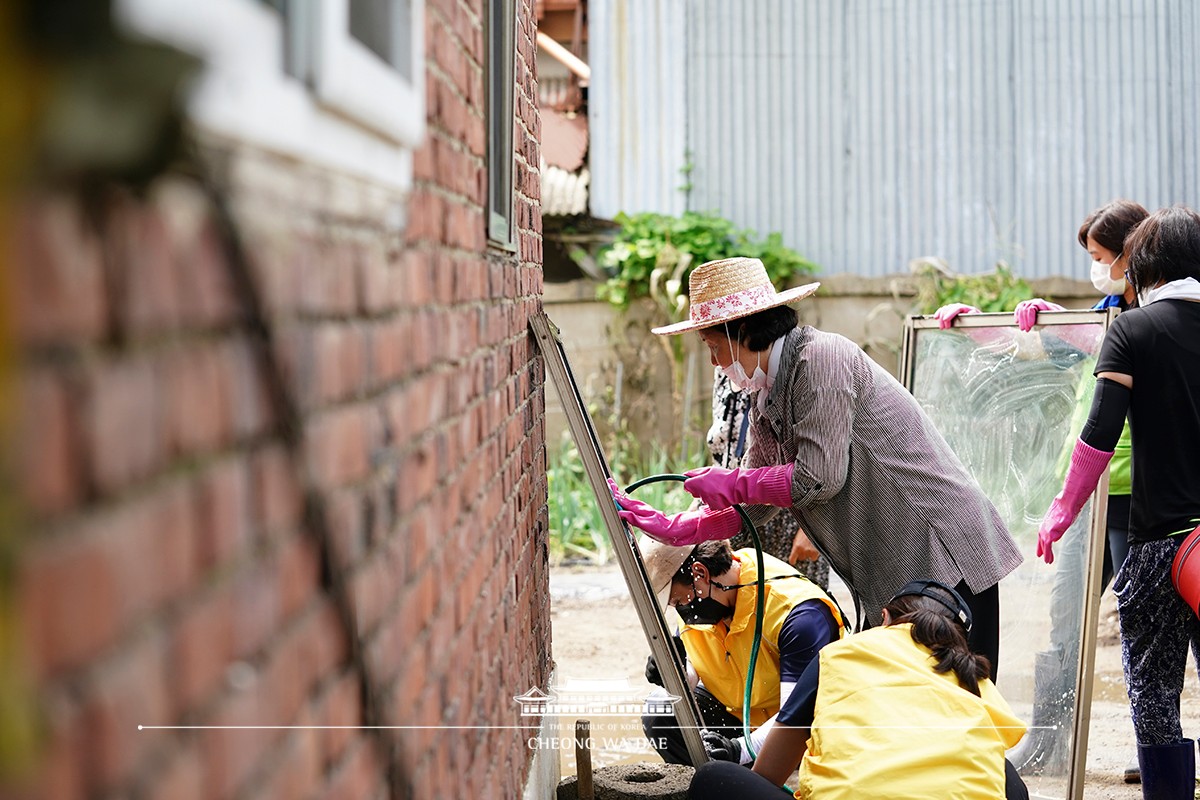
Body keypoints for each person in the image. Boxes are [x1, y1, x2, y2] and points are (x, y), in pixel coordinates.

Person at [608, 256, 1022, 674]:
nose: (715, 362)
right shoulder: (766, 391)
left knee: (959, 697)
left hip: (942, 547)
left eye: (713, 346)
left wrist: (734, 483)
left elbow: (818, 478)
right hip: (897, 560)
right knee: (913, 699)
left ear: (743, 331)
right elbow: (756, 506)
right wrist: (680, 530)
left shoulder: (821, 360)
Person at [934, 198, 1147, 780]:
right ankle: (1051, 739)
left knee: (1142, 624)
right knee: (1066, 622)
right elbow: (1036, 352)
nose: (1095, 269)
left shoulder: (1160, 315)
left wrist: (1069, 324)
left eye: (1103, 257)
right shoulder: (1105, 310)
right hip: (1083, 496)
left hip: (1141, 494)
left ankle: (1152, 746)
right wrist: (974, 325)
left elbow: (1099, 343)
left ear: (1135, 252)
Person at [1035, 205, 1200, 799]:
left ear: (1146, 265)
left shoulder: (1133, 330)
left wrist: (1062, 511)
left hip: (1163, 546)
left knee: (1154, 696)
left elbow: (1098, 437)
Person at [687, 580, 1029, 800]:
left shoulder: (843, 653)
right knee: (1006, 776)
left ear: (884, 619)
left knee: (714, 779)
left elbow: (768, 774)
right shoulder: (976, 680)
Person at [639, 537, 844, 766]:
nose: (679, 609)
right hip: (743, 716)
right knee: (661, 712)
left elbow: (795, 719)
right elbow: (693, 675)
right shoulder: (699, 595)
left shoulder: (798, 616)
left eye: (676, 600)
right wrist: (673, 673)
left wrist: (738, 750)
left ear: (701, 572)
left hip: (803, 731)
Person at [707, 370, 831, 590]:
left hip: (790, 520)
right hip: (740, 516)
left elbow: (824, 461)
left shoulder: (787, 369)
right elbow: (724, 453)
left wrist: (816, 532)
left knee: (792, 606)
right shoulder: (723, 375)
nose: (713, 356)